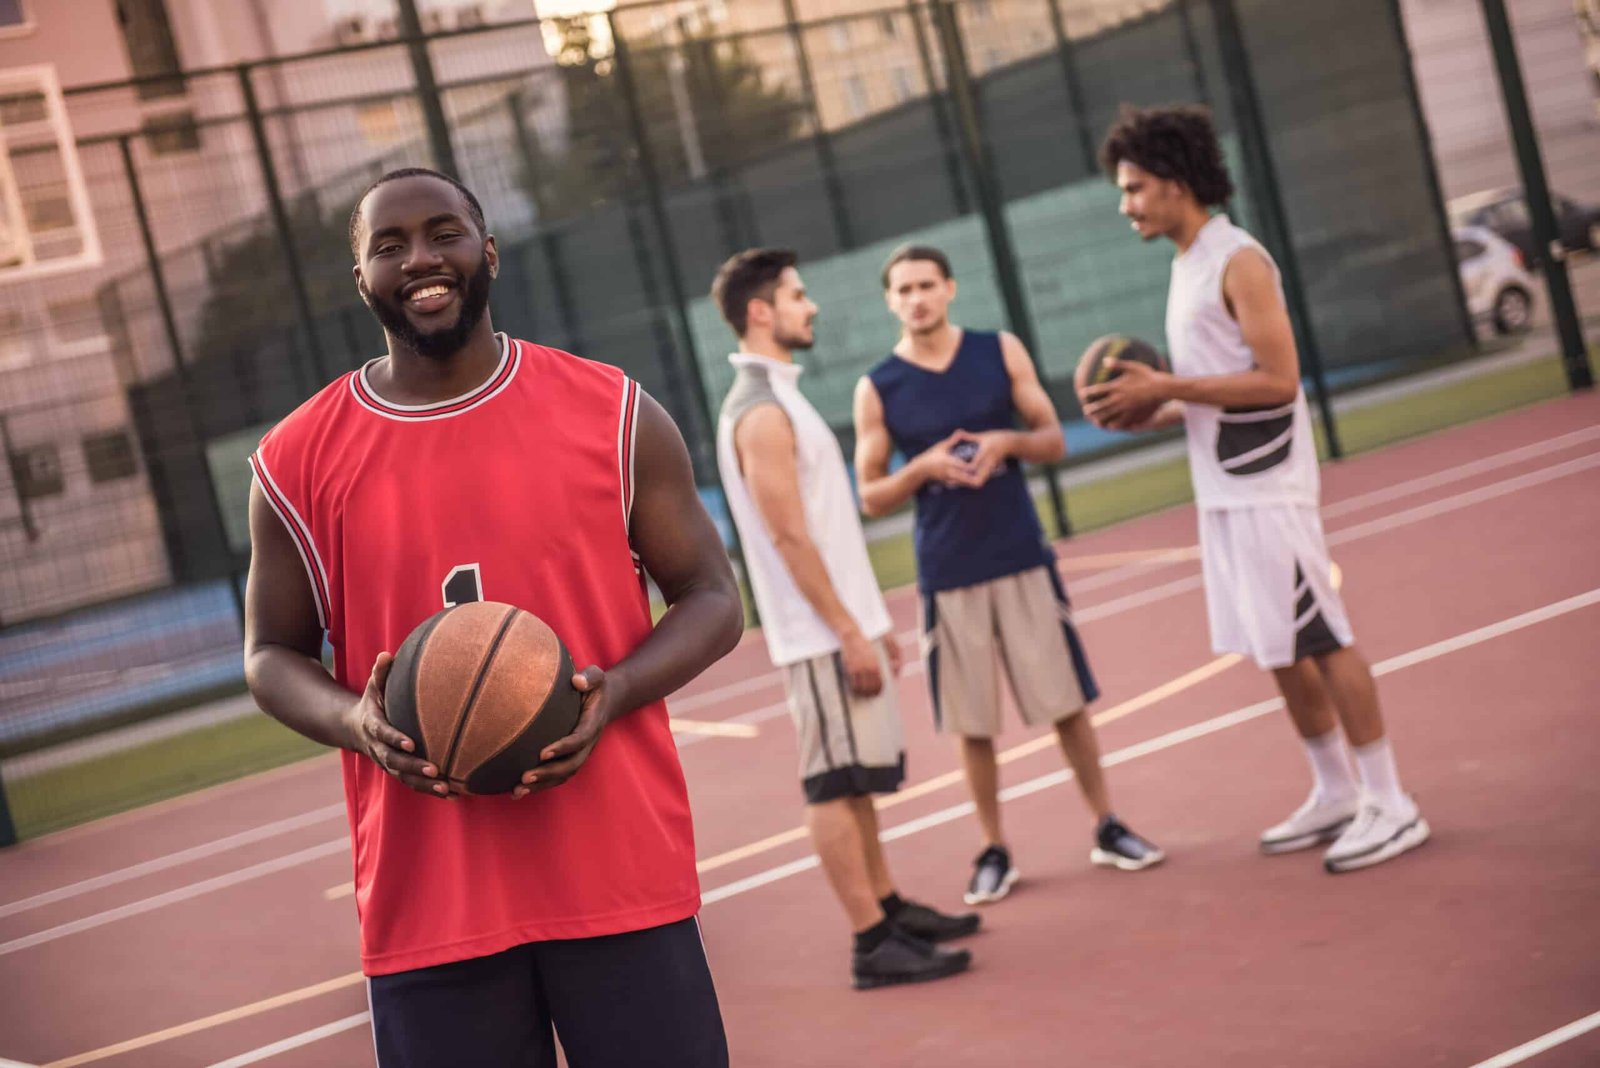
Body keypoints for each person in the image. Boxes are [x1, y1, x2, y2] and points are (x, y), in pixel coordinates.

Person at [243, 167, 743, 1065]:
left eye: (444, 233)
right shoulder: (295, 459)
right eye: (387, 247)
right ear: (361, 279)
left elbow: (713, 596)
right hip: (429, 898)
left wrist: (616, 691)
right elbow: (270, 654)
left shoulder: (615, 412)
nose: (421, 259)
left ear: (489, 253)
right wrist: (355, 720)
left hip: (616, 871)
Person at [1084, 105, 1430, 873]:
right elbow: (1219, 387)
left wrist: (1167, 383)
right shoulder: (1188, 262)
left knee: (1323, 637)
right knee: (1277, 647)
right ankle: (1336, 789)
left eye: (1135, 188)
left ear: (1175, 184)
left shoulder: (1239, 259)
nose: (1126, 204)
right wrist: (1155, 409)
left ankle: (1392, 801)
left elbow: (1278, 382)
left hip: (1269, 488)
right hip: (1226, 490)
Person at [853, 244, 1164, 908]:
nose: (917, 298)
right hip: (948, 569)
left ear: (950, 288)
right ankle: (994, 849)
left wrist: (1004, 443)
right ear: (890, 300)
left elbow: (1053, 439)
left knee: (1066, 703)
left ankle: (1107, 825)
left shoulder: (1000, 351)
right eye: (903, 289)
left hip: (1020, 552)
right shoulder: (879, 386)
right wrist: (925, 467)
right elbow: (872, 494)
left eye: (927, 285)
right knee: (974, 723)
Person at [711, 247, 978, 991]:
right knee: (831, 784)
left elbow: (827, 527)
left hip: (840, 626)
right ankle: (870, 943)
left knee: (857, 780)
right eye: (798, 295)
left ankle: (888, 909)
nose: (811, 306)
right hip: (816, 637)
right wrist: (848, 630)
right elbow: (788, 536)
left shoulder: (783, 396)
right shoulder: (759, 410)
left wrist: (870, 619)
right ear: (761, 312)